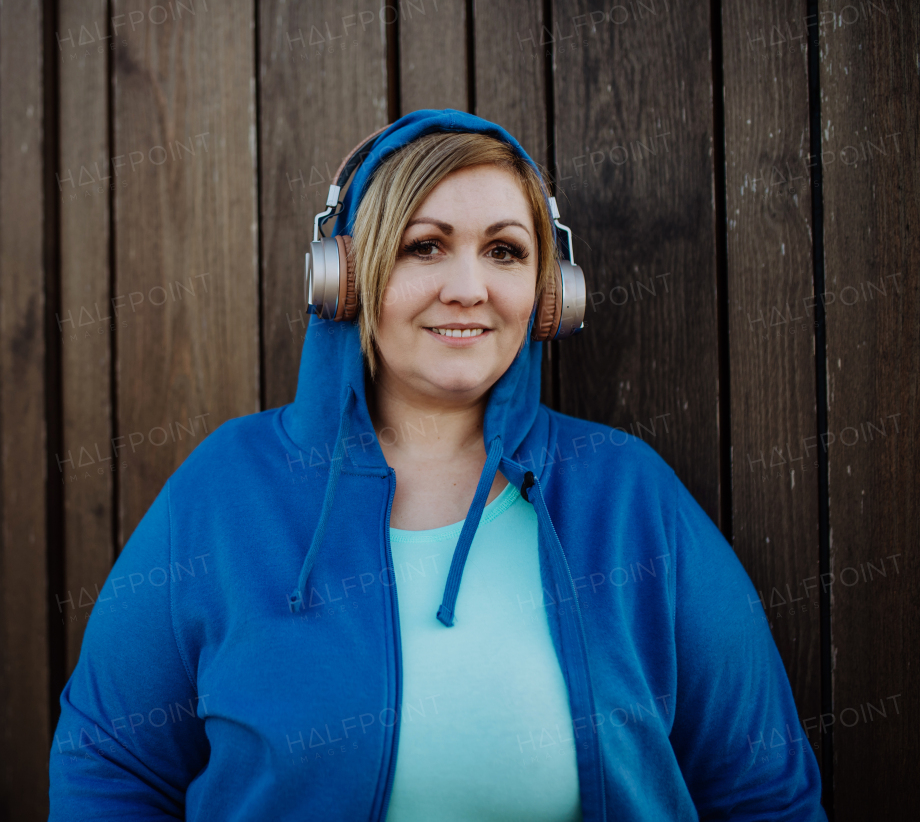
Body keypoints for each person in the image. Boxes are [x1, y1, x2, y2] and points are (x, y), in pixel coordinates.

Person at [48, 109, 826, 820]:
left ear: (550, 294)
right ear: (345, 278)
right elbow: (109, 764)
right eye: (426, 246)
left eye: (505, 251)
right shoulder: (225, 491)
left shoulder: (630, 497)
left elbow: (763, 791)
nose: (468, 287)